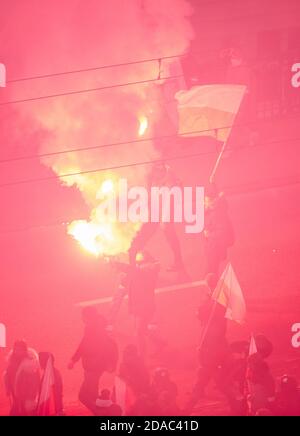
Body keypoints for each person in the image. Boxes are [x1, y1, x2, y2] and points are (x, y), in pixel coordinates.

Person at [129, 162, 185, 273]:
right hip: (154, 210)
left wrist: (164, 221)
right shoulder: (153, 175)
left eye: (156, 173)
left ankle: (179, 262)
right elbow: (149, 191)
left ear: (161, 172)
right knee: (143, 235)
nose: (153, 175)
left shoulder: (171, 182)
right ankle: (133, 260)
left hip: (164, 211)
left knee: (170, 236)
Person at [186, 274, 228, 411]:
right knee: (207, 372)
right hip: (215, 341)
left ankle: (192, 402)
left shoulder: (215, 301)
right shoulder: (218, 298)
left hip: (212, 344)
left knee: (206, 372)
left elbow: (204, 314)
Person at [68, 308, 118, 414]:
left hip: (93, 368)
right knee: (89, 395)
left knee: (85, 396)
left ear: (88, 317)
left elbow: (85, 345)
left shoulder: (94, 329)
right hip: (93, 367)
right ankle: (103, 411)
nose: (82, 319)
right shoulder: (95, 327)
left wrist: (75, 360)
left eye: (83, 316)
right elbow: (85, 344)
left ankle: (104, 412)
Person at [203, 183, 234, 277]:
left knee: (212, 270)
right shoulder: (217, 205)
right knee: (212, 268)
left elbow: (222, 233)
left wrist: (208, 235)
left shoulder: (217, 214)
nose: (204, 201)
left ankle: (213, 287)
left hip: (215, 245)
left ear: (212, 200)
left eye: (206, 200)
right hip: (215, 243)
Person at [4, 340, 40, 416]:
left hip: (26, 392)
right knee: (17, 410)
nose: (17, 352)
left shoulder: (30, 363)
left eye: (19, 349)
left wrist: (32, 395)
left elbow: (35, 380)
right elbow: (8, 375)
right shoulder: (12, 361)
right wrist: (8, 387)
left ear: (24, 350)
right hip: (15, 391)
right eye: (16, 349)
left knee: (27, 411)